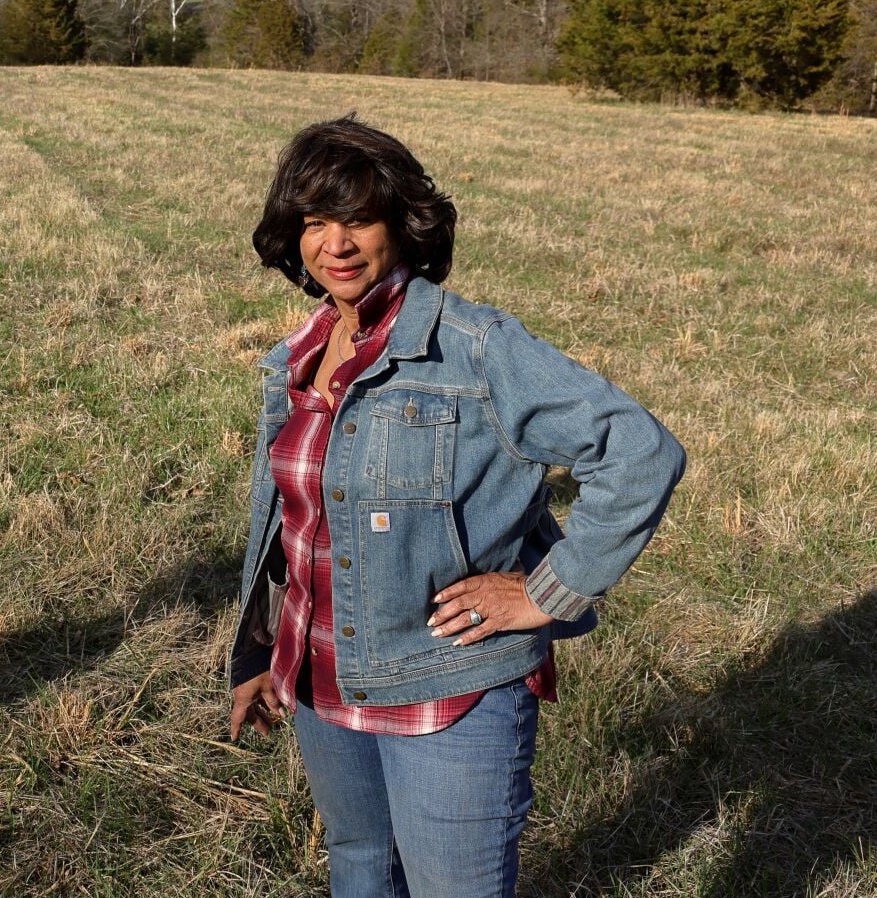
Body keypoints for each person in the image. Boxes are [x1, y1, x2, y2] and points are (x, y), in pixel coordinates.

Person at [227, 115, 684, 897]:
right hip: (320, 681)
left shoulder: (473, 347)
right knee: (361, 868)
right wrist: (258, 651)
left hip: (450, 688)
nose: (334, 243)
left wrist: (545, 591)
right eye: (313, 221)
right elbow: (294, 524)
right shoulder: (300, 355)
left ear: (402, 226)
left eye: (357, 218)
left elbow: (640, 450)